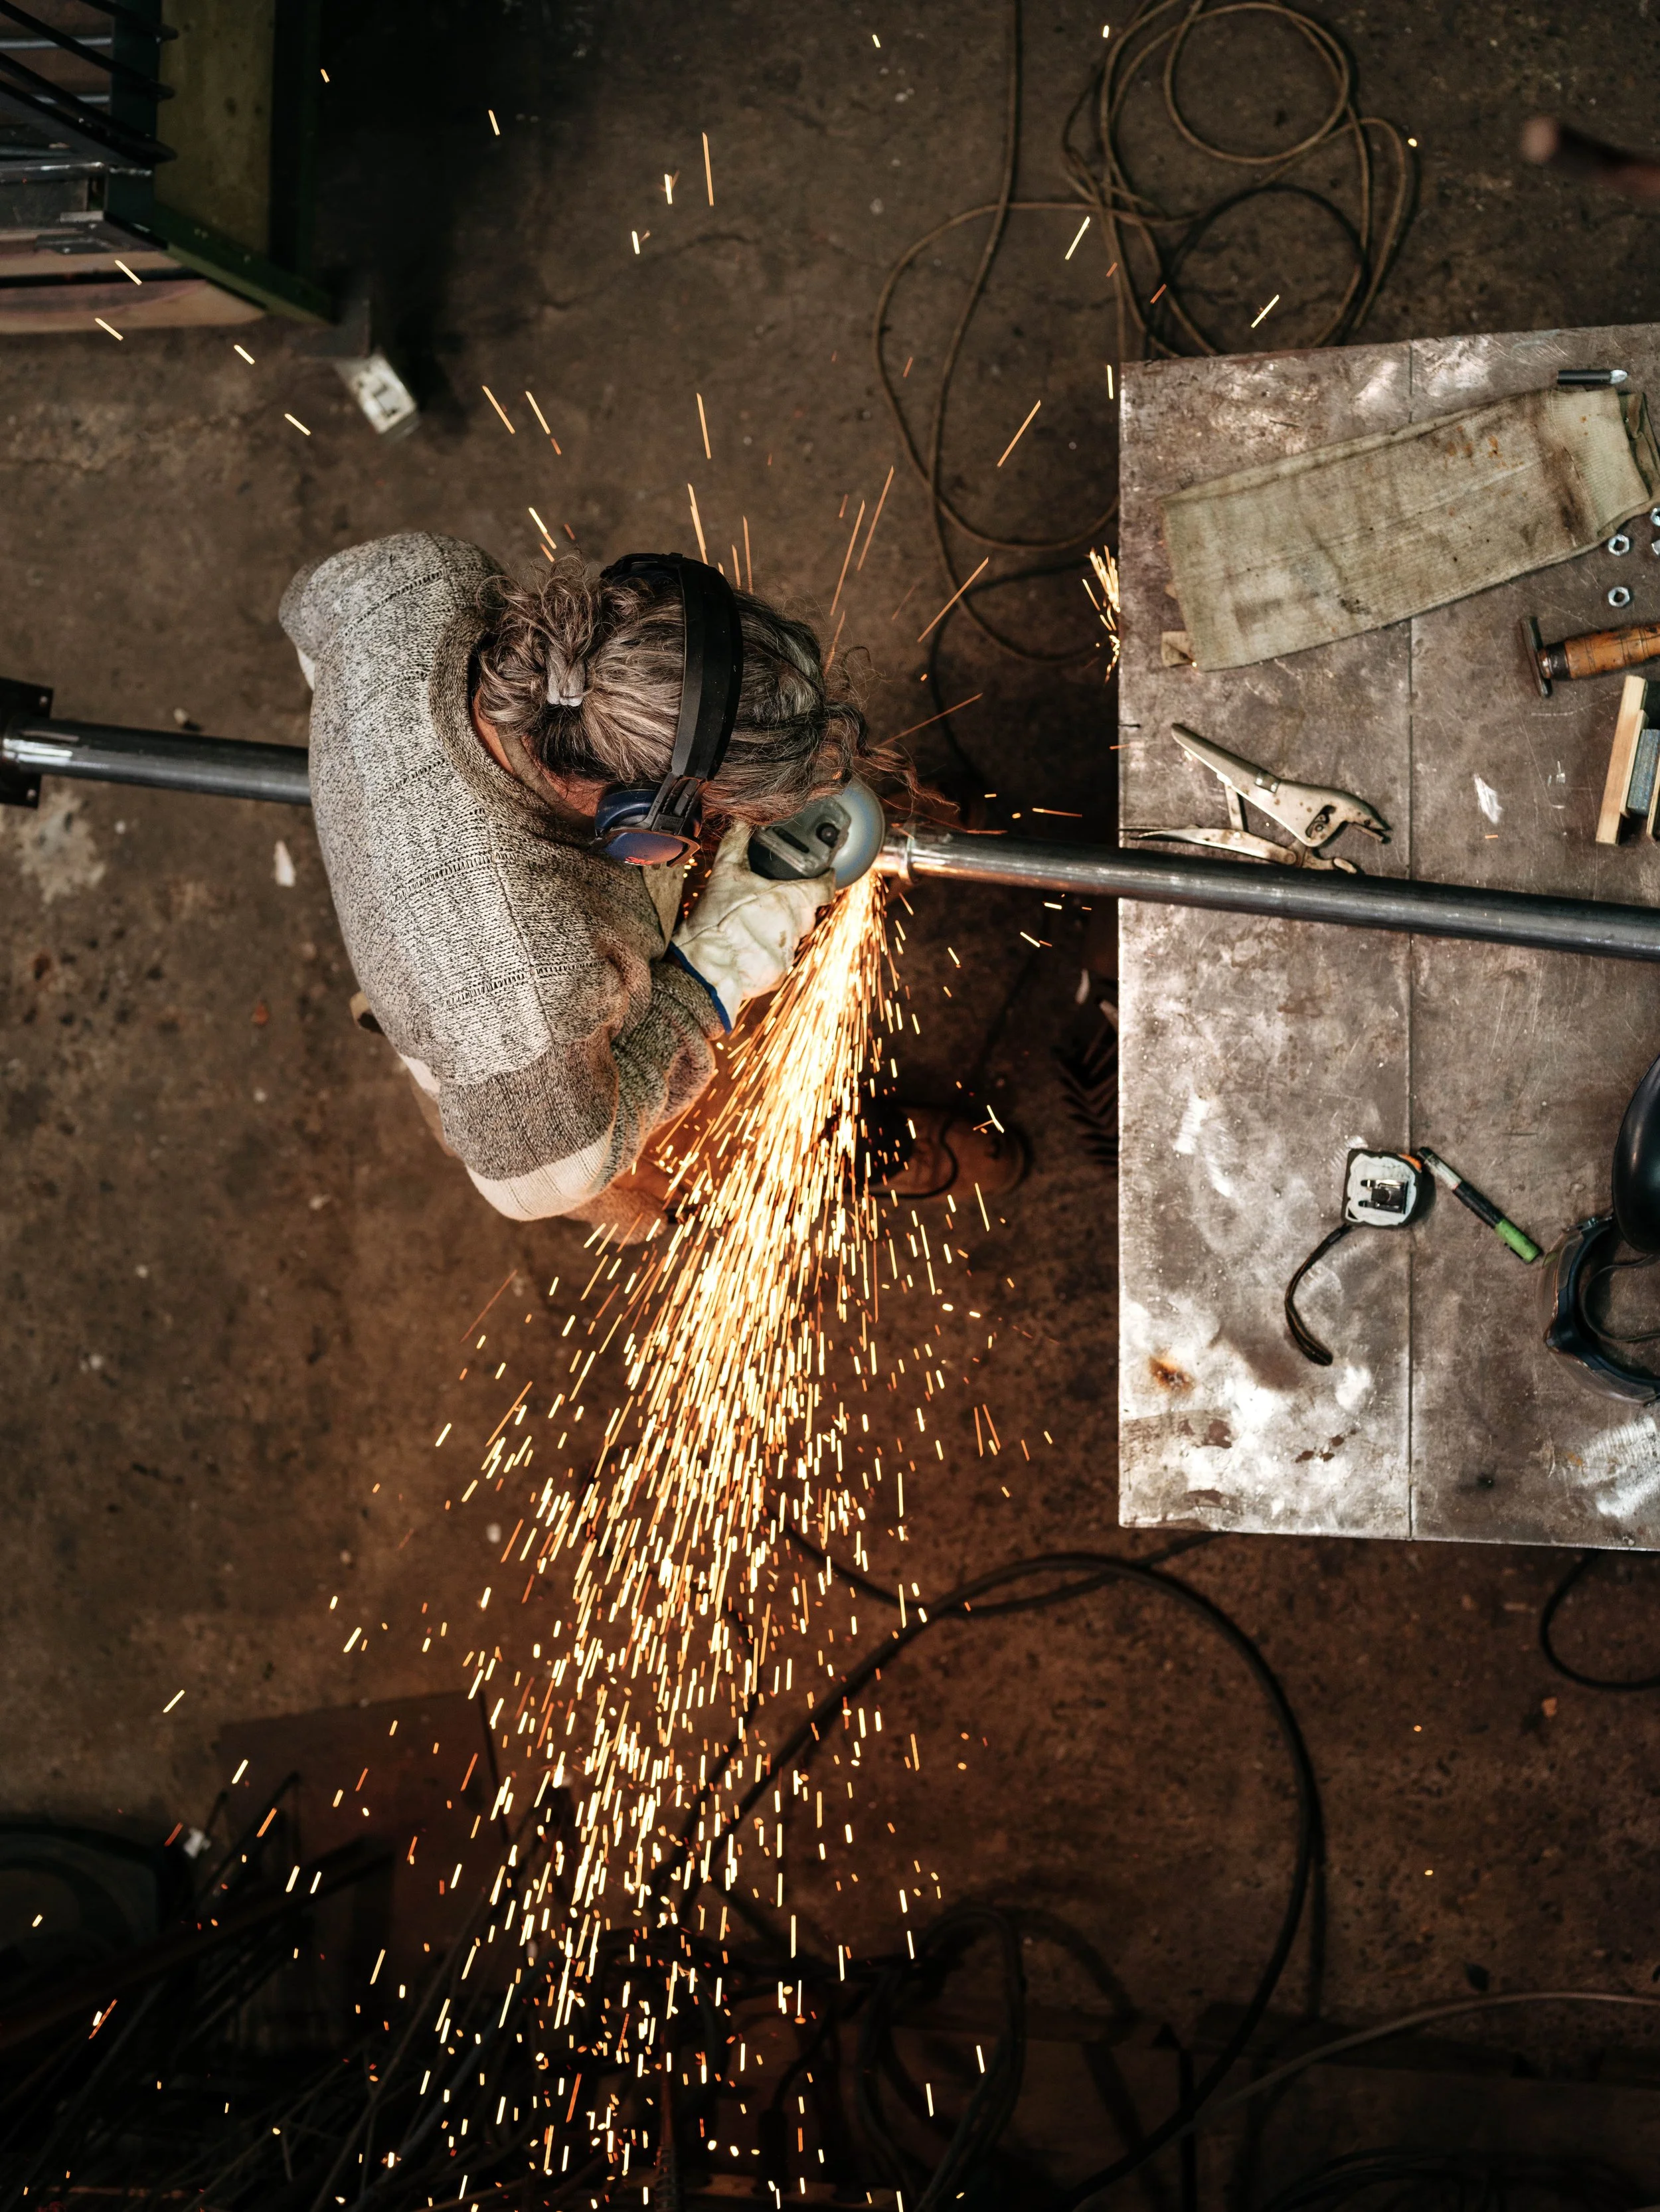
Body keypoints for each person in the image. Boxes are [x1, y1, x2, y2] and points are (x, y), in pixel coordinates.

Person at [280, 532, 1025, 1238]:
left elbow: (307, 608)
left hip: (457, 927)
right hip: (487, 1046)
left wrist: (375, 768)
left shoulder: (416, 577)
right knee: (607, 1148)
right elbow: (531, 1183)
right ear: (641, 825)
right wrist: (707, 978)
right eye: (721, 815)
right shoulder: (526, 991)